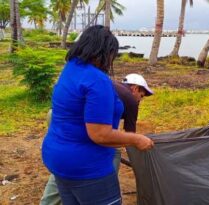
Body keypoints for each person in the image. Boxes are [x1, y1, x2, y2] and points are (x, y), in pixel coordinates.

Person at [41, 25, 154, 205]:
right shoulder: (97, 80)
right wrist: (137, 139)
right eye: (112, 55)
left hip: (56, 156)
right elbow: (100, 134)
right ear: (104, 52)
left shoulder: (71, 68)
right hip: (86, 167)